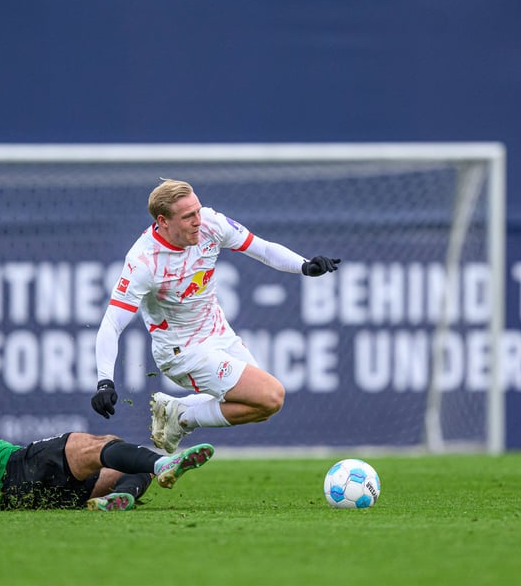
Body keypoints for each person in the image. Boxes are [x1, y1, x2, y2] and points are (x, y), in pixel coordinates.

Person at [90, 178, 340, 453]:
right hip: (182, 352)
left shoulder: (210, 224)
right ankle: (181, 414)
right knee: (271, 395)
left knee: (263, 407)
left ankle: (178, 412)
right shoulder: (143, 262)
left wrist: (304, 266)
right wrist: (105, 380)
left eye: (197, 210)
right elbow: (112, 323)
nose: (198, 220)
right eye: (188, 217)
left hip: (220, 334)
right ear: (163, 221)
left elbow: (264, 249)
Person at [0, 339, 215, 512]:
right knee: (85, 444)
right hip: (12, 470)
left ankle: (118, 500)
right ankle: (165, 464)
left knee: (126, 460)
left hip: (18, 499)